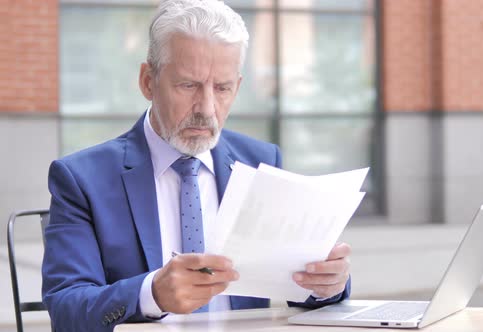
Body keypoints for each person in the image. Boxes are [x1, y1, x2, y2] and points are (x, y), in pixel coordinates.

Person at [41, 1, 352, 331]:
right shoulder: (81, 179)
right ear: (148, 81)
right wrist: (151, 295)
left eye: (222, 88)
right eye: (188, 85)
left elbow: (296, 286)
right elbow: (66, 309)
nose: (206, 108)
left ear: (238, 86)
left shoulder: (262, 162)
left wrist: (325, 285)